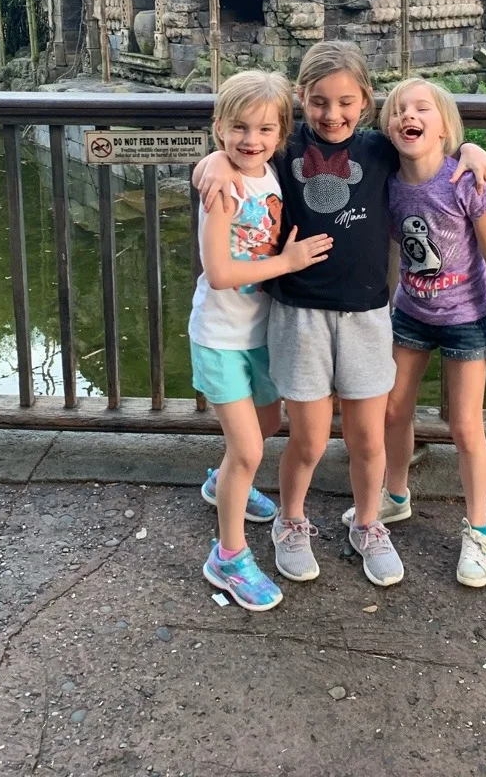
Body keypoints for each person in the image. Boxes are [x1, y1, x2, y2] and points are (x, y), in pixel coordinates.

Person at [194, 43, 486, 589]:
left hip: (366, 316)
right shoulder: (282, 148)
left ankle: (368, 524)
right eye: (318, 102)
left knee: (368, 439)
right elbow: (237, 152)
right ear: (300, 101)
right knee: (307, 441)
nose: (332, 114)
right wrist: (211, 159)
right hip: (298, 315)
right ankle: (291, 521)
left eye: (345, 102)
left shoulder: (381, 149)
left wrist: (472, 148)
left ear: (366, 103)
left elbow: (436, 150)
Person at [342, 77, 486, 588]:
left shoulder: (465, 183)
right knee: (394, 409)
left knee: (466, 426)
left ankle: (479, 529)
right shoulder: (387, 185)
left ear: (444, 126)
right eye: (398, 110)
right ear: (388, 128)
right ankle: (396, 496)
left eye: (421, 108)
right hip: (411, 313)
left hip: (467, 318)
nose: (408, 115)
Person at [191, 70, 333, 611]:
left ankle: (221, 482)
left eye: (264, 130)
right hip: (221, 335)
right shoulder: (223, 187)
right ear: (220, 127)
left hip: (263, 332)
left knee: (268, 424)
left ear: (281, 134)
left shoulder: (273, 172)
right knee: (249, 448)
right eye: (238, 128)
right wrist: (288, 261)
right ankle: (228, 556)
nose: (251, 139)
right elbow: (221, 271)